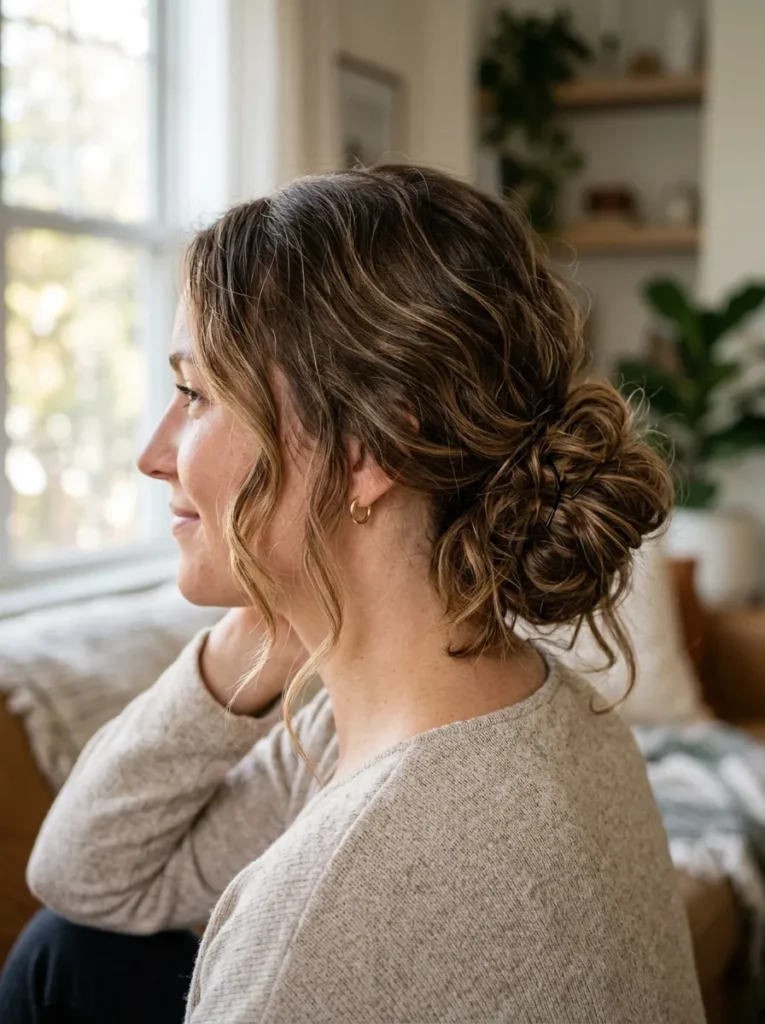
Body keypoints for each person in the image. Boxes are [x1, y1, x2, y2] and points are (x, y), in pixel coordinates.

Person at [0, 165, 705, 1023]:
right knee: (68, 954)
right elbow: (78, 877)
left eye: (196, 395)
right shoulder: (515, 709)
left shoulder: (335, 904)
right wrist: (258, 635)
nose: (154, 453)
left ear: (367, 453)